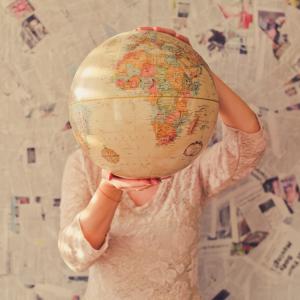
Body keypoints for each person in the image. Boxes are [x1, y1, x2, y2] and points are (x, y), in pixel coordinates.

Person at [57, 27, 267, 300]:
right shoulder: (83, 164)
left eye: (152, 96)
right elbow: (75, 255)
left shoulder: (187, 163)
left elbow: (249, 144)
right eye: (129, 96)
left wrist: (198, 71)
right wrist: (110, 189)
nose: (139, 105)